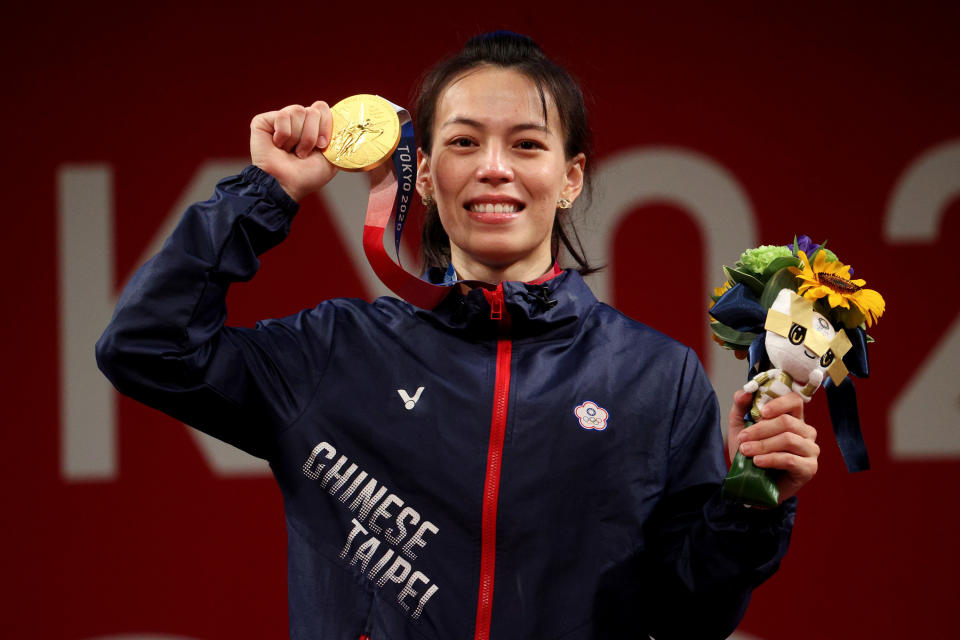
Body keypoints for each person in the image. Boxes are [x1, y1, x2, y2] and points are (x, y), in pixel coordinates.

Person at [96, 32, 819, 640]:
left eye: (527, 144)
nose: (494, 167)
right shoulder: (336, 353)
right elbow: (145, 349)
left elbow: (692, 616)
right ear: (430, 177)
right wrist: (266, 193)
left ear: (570, 179)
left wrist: (755, 505)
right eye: (464, 141)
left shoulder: (656, 376)